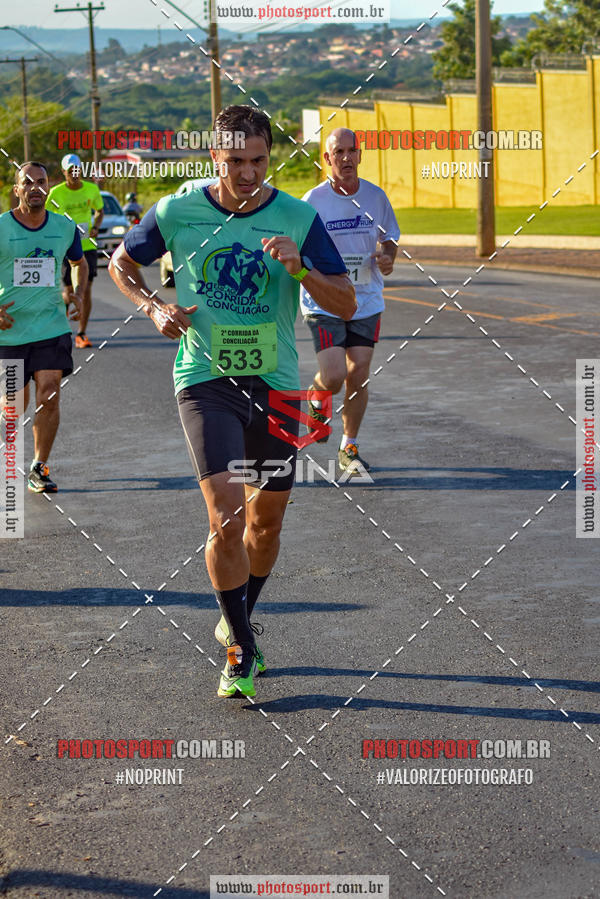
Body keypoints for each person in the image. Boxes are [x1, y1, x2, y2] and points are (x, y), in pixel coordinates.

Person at [109, 105, 355, 698]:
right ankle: (241, 648)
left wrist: (301, 271)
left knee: (265, 525)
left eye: (258, 161)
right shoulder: (177, 211)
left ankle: (238, 610)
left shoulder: (297, 216)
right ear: (213, 157)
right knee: (225, 515)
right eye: (235, 161)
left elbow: (345, 301)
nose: (248, 174)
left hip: (275, 383)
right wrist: (154, 308)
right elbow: (122, 262)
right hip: (205, 378)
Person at [301, 127, 400, 475]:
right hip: (324, 301)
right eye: (338, 152)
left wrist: (387, 256)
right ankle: (317, 398)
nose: (346, 158)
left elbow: (390, 238)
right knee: (334, 374)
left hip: (366, 300)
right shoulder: (311, 203)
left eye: (351, 151)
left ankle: (349, 448)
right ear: (326, 159)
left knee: (358, 373)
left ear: (360, 155)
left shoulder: (376, 198)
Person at [0, 162, 87, 493]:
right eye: (28, 182)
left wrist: (76, 292)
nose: (36, 187)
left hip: (51, 327)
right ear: (17, 189)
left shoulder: (64, 228)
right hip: (10, 331)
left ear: (48, 188)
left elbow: (79, 263)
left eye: (41, 182)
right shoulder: (2, 228)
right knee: (13, 406)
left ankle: (39, 466)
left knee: (49, 396)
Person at [46, 153, 103, 349]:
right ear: (64, 172)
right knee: (68, 292)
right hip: (64, 247)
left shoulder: (92, 189)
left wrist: (95, 226)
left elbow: (99, 210)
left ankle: (81, 333)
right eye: (71, 170)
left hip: (87, 245)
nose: (75, 173)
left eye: (77, 169)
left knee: (86, 291)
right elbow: (45, 216)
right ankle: (60, 328)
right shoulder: (55, 193)